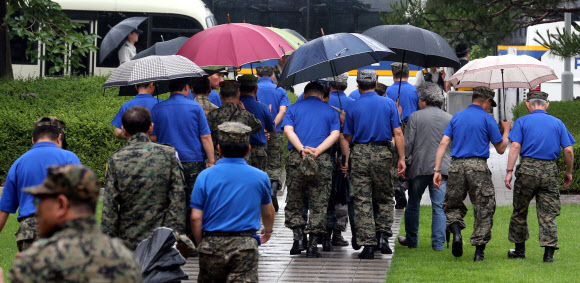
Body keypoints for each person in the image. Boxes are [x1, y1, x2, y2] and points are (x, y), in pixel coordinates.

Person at [10, 165, 142, 282]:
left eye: (40, 202)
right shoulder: (127, 260)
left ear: (62, 204)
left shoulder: (35, 263)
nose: (38, 211)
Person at [433, 86, 511, 261]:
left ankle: (456, 232)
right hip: (478, 167)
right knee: (484, 207)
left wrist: (437, 170)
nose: (491, 108)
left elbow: (443, 143)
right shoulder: (487, 118)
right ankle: (479, 252)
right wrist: (506, 130)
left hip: (456, 166)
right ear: (486, 101)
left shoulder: (457, 117)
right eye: (491, 104)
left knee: (452, 204)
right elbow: (500, 149)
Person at [191, 122, 275, 282]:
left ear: (219, 149)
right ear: (248, 149)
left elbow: (195, 217)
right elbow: (268, 211)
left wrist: (202, 244)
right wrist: (268, 231)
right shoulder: (260, 176)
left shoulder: (204, 176)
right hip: (245, 246)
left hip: (212, 244)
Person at [504, 91, 575, 263]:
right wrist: (568, 172)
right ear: (547, 104)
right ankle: (548, 255)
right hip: (549, 171)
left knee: (520, 210)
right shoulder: (557, 123)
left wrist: (509, 171)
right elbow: (568, 150)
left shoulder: (522, 121)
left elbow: (514, 147)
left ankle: (519, 250)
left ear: (528, 104)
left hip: (527, 170)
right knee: (548, 213)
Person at [102, 106, 186, 250]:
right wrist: (173, 235)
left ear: (123, 129)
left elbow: (110, 208)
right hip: (162, 241)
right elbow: (178, 198)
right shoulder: (169, 155)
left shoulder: (116, 159)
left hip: (128, 241)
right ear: (151, 128)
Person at [342, 69, 405, 259]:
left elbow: (347, 137)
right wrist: (401, 158)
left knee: (362, 200)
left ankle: (368, 245)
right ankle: (383, 236)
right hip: (383, 154)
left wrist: (345, 158)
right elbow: (398, 133)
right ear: (376, 84)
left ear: (358, 85)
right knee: (385, 196)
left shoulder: (352, 107)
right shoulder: (388, 104)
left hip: (360, 154)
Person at [0, 117, 80, 252]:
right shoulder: (69, 158)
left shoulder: (19, 163)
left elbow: (4, 209)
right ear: (59, 138)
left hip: (28, 232)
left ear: (33, 140)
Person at [151, 77, 215, 240]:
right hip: (192, 161)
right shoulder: (195, 107)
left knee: (168, 199)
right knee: (193, 200)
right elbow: (206, 137)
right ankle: (192, 238)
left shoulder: (158, 108)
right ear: (187, 87)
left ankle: (171, 237)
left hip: (166, 161)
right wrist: (211, 161)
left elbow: (153, 137)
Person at [282, 81, 340, 257]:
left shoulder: (292, 109)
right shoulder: (331, 111)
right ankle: (313, 245)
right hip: (321, 160)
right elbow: (335, 134)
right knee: (319, 202)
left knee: (294, 200)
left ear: (305, 94)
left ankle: (298, 239)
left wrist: (302, 149)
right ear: (322, 95)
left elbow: (288, 131)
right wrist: (317, 151)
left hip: (296, 159)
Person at [397, 83, 452, 251]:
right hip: (442, 168)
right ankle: (438, 244)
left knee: (413, 203)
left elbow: (408, 144)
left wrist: (403, 162)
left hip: (419, 168)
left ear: (424, 100)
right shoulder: (449, 117)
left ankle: (412, 239)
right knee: (439, 206)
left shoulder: (415, 117)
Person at [256, 66, 291, 207]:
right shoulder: (280, 90)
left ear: (257, 76)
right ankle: (273, 190)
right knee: (275, 164)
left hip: (256, 134)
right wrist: (271, 127)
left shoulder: (253, 90)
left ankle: (260, 197)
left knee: (259, 164)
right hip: (275, 133)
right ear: (272, 76)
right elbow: (282, 111)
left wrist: (262, 129)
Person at [207, 80, 262, 162]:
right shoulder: (245, 115)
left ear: (220, 96)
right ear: (238, 94)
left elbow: (207, 135)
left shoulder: (212, 115)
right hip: (242, 159)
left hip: (219, 159)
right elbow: (258, 126)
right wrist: (244, 110)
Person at [237, 74, 275, 171]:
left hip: (237, 152)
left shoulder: (234, 106)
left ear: (239, 89)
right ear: (256, 89)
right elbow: (271, 128)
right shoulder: (263, 107)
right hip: (257, 152)